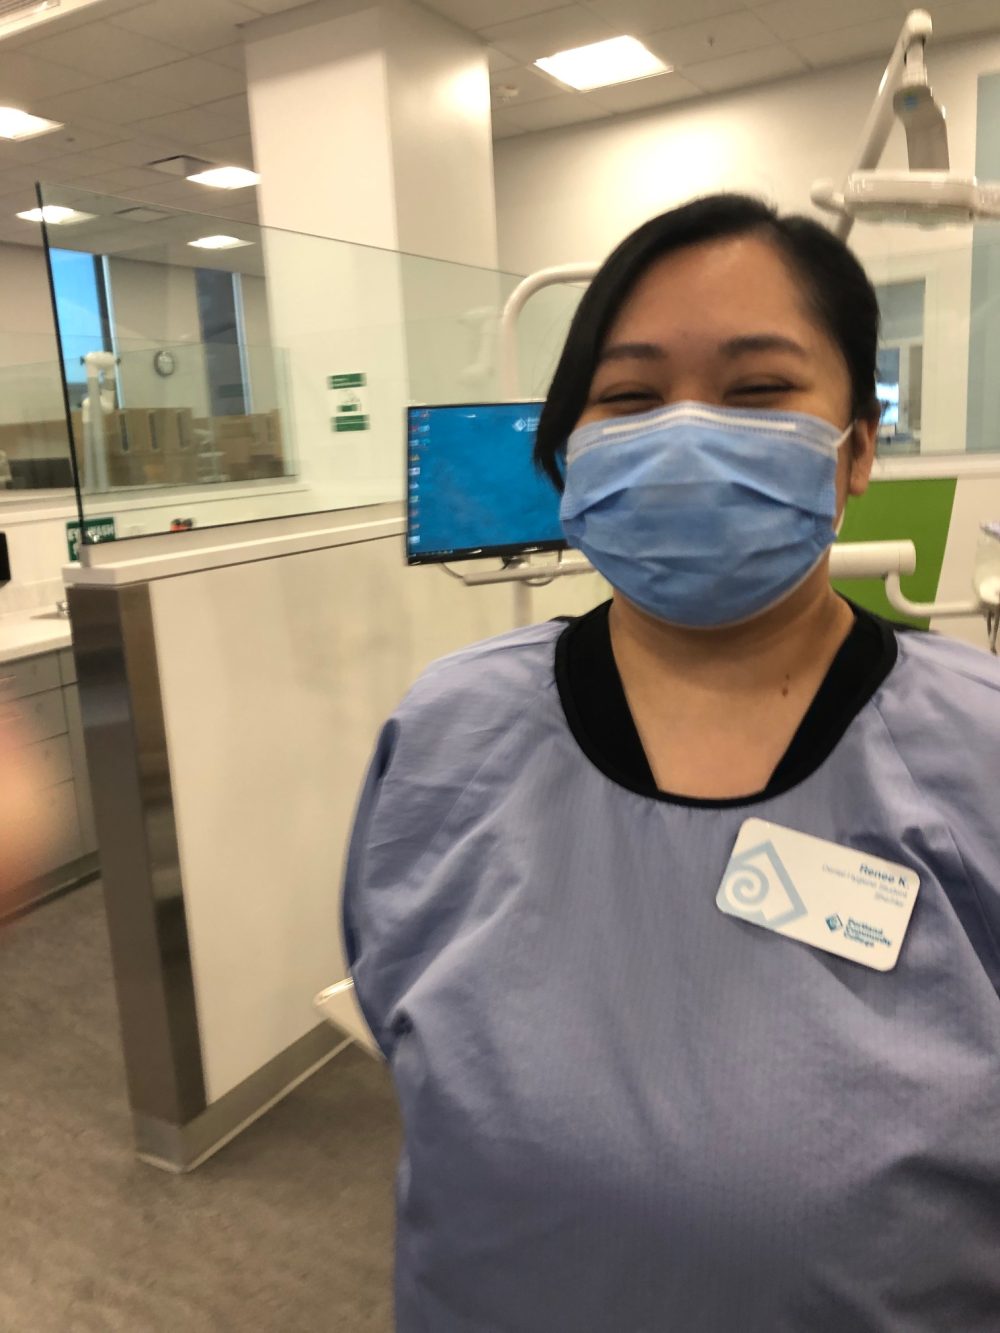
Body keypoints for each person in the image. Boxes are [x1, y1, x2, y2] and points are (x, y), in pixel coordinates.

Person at [343, 194, 1000, 1331]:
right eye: (631, 397)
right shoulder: (445, 739)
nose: (687, 434)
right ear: (568, 458)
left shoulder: (976, 753)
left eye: (756, 391)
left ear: (854, 451)